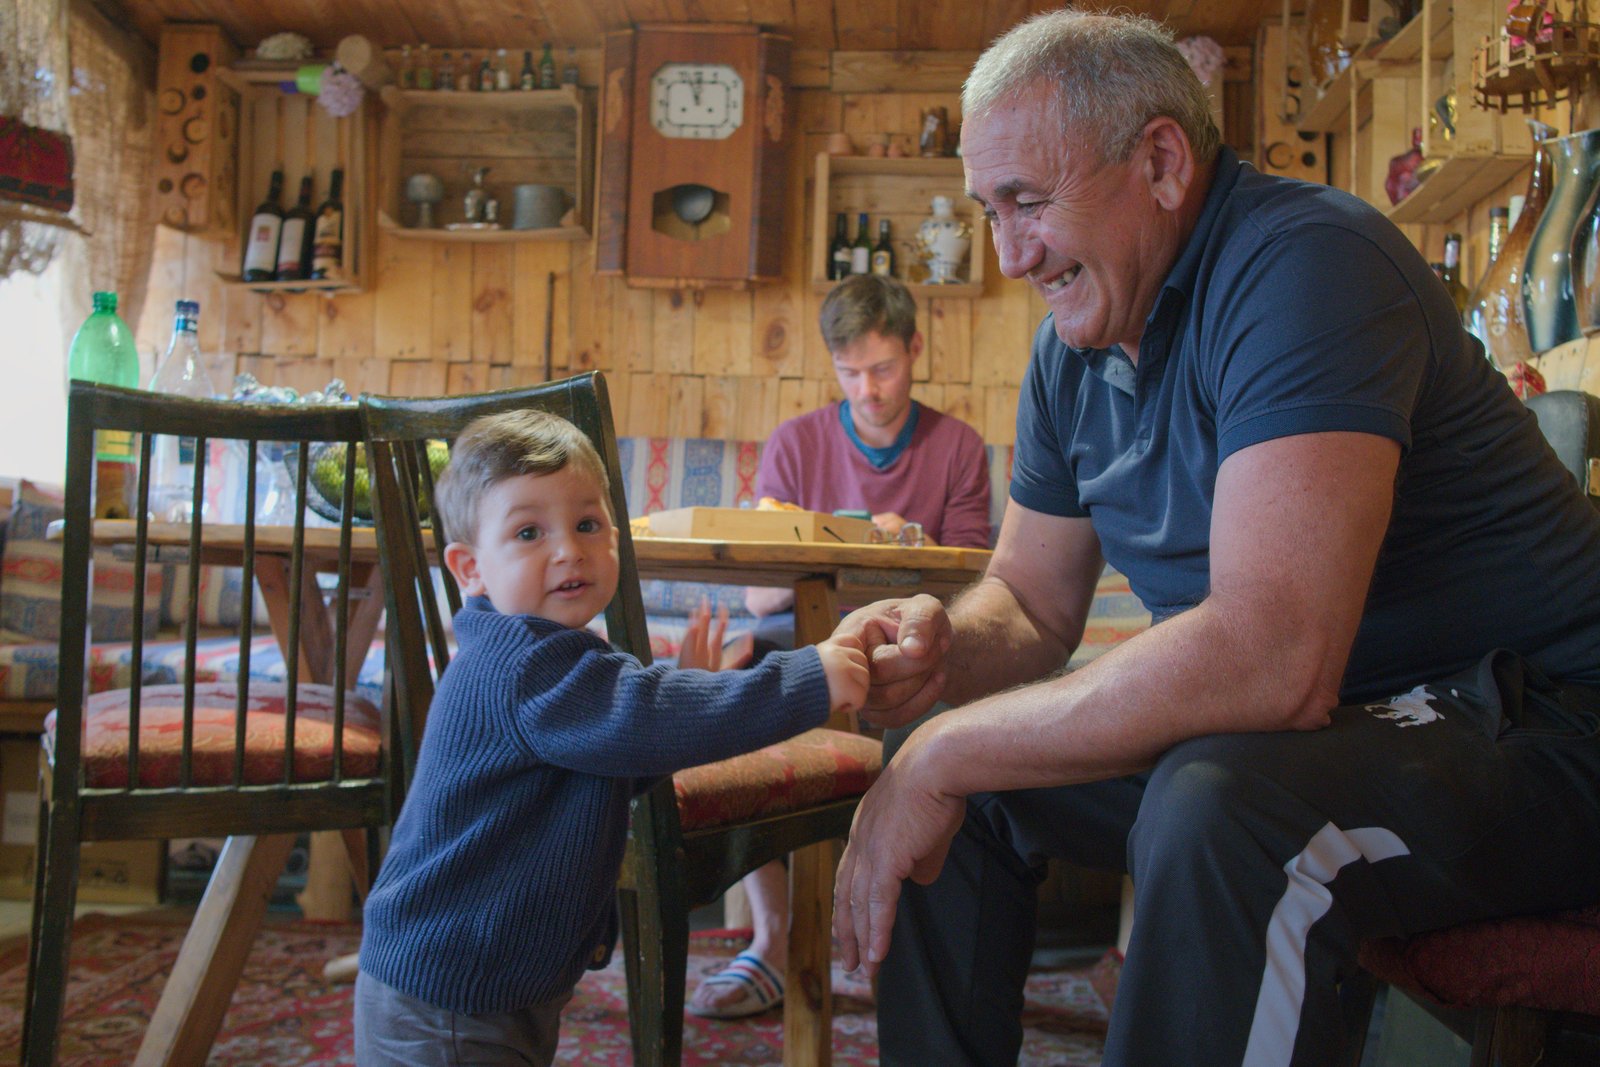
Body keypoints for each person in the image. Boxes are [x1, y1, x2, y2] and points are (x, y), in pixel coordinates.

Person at [829, 12, 1600, 1067]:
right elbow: (1031, 599)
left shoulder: (1307, 264)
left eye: (1028, 202)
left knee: (1217, 809)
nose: (1008, 253)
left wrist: (945, 748)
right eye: (987, 210)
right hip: (1324, 731)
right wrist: (944, 650)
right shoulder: (1074, 346)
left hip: (1537, 726)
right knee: (966, 780)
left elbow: (1272, 655)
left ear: (1159, 159)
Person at [353, 410, 869, 1066]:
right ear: (469, 568)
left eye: (587, 524)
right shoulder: (524, 662)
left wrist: (679, 702)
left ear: (617, 539)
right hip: (450, 999)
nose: (567, 548)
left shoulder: (554, 657)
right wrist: (811, 676)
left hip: (479, 983)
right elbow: (646, 714)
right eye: (529, 531)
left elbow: (621, 748)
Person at [688, 273, 992, 1020]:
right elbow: (759, 596)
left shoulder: (955, 447)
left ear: (915, 351)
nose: (868, 389)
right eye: (849, 372)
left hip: (907, 641)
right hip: (796, 638)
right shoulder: (796, 443)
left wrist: (901, 543)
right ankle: (773, 934)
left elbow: (978, 582)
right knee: (742, 698)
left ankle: (893, 942)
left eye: (883, 368)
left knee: (946, 701)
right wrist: (840, 539)